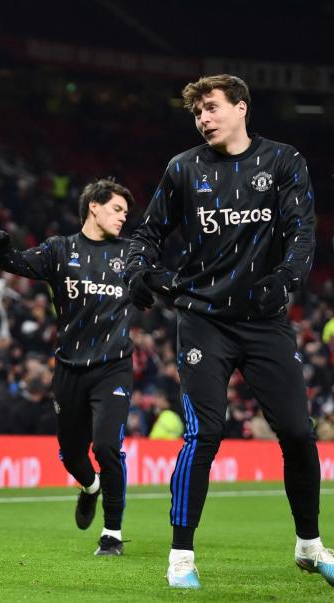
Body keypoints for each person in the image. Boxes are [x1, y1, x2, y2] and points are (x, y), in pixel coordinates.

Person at [124, 74, 329, 589]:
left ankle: (309, 545)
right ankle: (181, 557)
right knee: (204, 433)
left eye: (212, 107)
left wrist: (285, 281)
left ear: (241, 108)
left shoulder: (284, 161)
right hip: (203, 319)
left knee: (300, 435)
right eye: (198, 113)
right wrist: (139, 271)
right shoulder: (183, 168)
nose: (204, 119)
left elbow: (303, 233)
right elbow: (148, 233)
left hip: (264, 321)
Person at [0, 179, 168, 555]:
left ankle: (112, 534)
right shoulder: (60, 250)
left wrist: (145, 285)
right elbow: (18, 262)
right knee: (72, 454)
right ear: (95, 207)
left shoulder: (130, 253)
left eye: (126, 212)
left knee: (106, 447)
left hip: (113, 366)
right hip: (69, 367)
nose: (123, 217)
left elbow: (154, 278)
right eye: (117, 209)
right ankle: (90, 488)